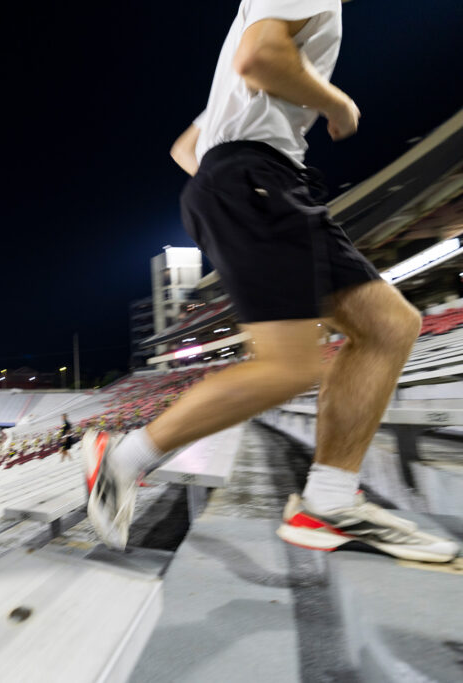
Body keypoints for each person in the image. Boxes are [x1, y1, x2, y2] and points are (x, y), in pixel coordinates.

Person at [85, 0, 459, 564]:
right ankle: (124, 455)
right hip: (258, 179)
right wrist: (337, 104)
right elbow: (260, 57)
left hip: (259, 179)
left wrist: (226, 181)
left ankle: (328, 503)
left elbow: (185, 148)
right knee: (291, 367)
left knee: (389, 326)